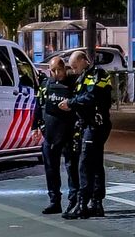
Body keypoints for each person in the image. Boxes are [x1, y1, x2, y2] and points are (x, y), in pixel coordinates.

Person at [59, 49, 112, 219]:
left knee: (85, 163)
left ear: (84, 61)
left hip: (96, 124)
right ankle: (96, 203)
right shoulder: (82, 77)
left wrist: (71, 103)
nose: (73, 70)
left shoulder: (98, 74)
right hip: (87, 125)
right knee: (95, 163)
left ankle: (83, 204)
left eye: (75, 66)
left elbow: (91, 97)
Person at [37, 56, 80, 215]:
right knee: (50, 168)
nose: (56, 73)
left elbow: (80, 104)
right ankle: (54, 201)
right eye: (53, 70)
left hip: (68, 131)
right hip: (50, 132)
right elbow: (39, 104)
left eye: (59, 70)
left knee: (71, 167)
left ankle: (73, 200)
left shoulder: (73, 83)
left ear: (64, 68)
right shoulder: (46, 84)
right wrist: (37, 126)